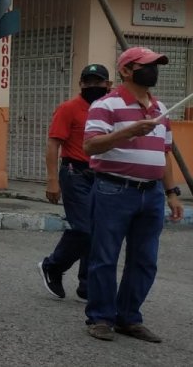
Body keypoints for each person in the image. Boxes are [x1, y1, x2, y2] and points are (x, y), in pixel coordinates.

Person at [82, 47, 184, 342]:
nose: (153, 70)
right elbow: (90, 145)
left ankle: (128, 317)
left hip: (151, 194)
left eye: (156, 65)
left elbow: (164, 153)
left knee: (145, 259)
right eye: (146, 65)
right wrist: (127, 132)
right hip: (113, 189)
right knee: (105, 256)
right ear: (126, 71)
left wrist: (171, 193)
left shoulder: (160, 108)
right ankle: (100, 317)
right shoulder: (106, 104)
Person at [37, 63, 112, 300]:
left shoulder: (111, 109)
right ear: (80, 84)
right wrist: (52, 180)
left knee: (98, 231)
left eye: (97, 82)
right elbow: (53, 144)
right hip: (75, 173)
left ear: (108, 84)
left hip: (103, 175)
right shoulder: (68, 108)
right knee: (83, 229)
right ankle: (53, 266)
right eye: (88, 82)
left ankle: (87, 284)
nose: (92, 86)